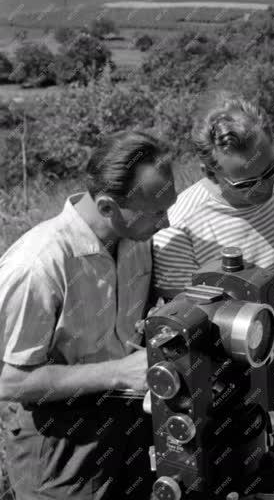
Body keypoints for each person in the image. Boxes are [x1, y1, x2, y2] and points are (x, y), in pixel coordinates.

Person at [0, 131, 177, 500]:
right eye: (156, 213)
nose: (166, 224)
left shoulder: (136, 240)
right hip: (59, 444)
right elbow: (10, 382)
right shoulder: (38, 265)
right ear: (109, 207)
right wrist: (118, 372)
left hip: (128, 426)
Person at [152, 97, 274, 438]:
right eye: (246, 183)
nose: (263, 187)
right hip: (221, 375)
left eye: (270, 170)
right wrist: (271, 337)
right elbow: (184, 316)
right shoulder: (179, 224)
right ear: (210, 173)